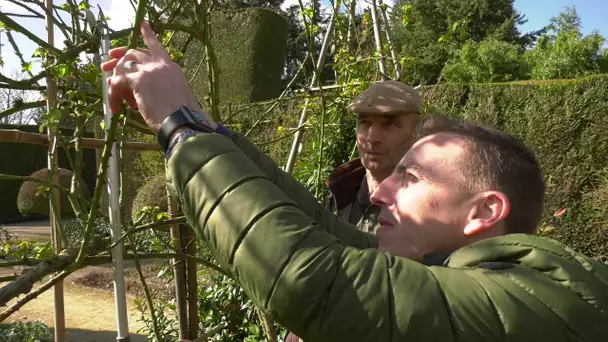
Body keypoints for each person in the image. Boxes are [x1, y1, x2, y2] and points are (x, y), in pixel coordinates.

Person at [103, 22, 608, 341]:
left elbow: (314, 276)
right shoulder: (472, 271)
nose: (383, 188)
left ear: (482, 212)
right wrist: (201, 124)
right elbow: (317, 223)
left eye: (410, 177)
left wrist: (178, 125)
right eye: (364, 122)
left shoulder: (522, 301)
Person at [323, 80, 422, 234]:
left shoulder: (426, 204)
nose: (371, 137)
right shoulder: (340, 192)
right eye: (365, 123)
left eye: (389, 125)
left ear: (415, 134)